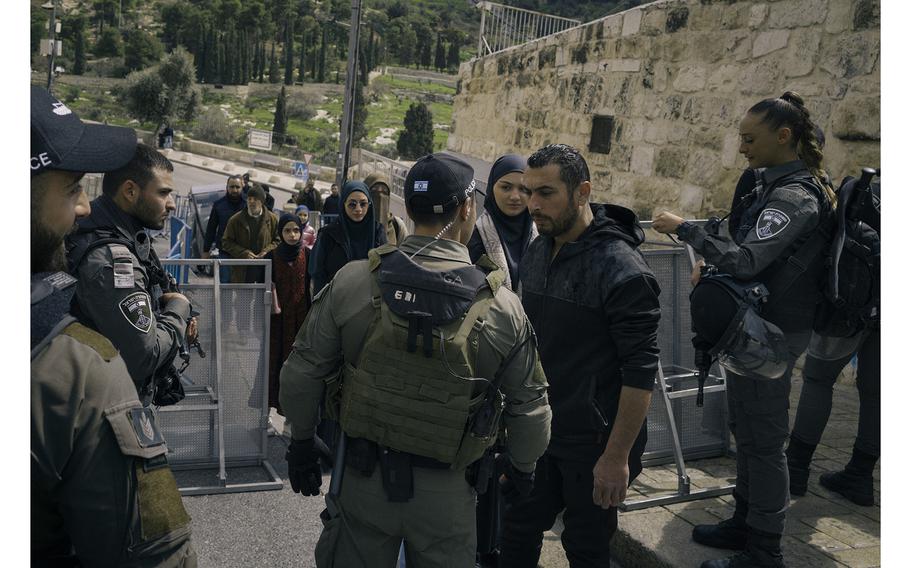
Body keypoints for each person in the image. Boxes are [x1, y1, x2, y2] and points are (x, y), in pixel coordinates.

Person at [279, 152, 552, 568]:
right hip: (448, 493)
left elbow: (301, 374)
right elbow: (530, 407)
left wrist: (300, 441)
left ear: (409, 207)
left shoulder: (354, 281)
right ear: (467, 209)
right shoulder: (502, 307)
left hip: (362, 480)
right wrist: (523, 468)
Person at [652, 91, 836, 568]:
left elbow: (749, 260)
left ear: (783, 136)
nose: (742, 149)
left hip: (772, 334)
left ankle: (764, 549)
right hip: (754, 328)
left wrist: (686, 230)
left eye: (750, 139)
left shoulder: (795, 196)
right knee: (745, 429)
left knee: (764, 440)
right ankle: (745, 520)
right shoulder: (772, 185)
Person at [30, 85, 196, 566]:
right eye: (70, 188)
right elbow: (142, 352)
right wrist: (179, 310)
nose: (82, 208)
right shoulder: (79, 369)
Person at [499, 144, 660, 568]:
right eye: (528, 192)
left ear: (582, 192)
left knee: (586, 549)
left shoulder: (623, 270)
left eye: (545, 193)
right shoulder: (538, 249)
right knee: (515, 531)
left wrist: (616, 457)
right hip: (537, 432)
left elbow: (641, 372)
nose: (532, 204)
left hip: (593, 444)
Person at [67, 143, 197, 399]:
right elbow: (143, 357)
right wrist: (179, 309)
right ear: (130, 191)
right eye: (163, 193)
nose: (171, 204)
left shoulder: (123, 233)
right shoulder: (112, 259)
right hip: (108, 406)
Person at [785, 179, 881, 506]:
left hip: (850, 306)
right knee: (876, 392)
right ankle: (860, 475)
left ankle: (796, 469)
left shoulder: (867, 187)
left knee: (817, 379)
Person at [467, 153, 538, 292]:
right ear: (492, 188)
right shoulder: (475, 237)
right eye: (506, 187)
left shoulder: (541, 239)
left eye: (523, 189)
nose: (515, 197)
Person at [266, 213, 312, 415]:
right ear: (280, 232)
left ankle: (290, 415)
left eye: (296, 230)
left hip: (301, 323)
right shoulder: (271, 257)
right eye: (287, 230)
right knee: (272, 366)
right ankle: (265, 414)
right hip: (277, 324)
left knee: (296, 369)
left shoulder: (307, 255)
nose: (292, 235)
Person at [309, 180, 387, 293]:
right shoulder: (328, 234)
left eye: (363, 204)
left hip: (369, 301)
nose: (358, 209)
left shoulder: (377, 232)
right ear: (343, 204)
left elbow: (385, 269)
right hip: (336, 301)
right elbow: (317, 272)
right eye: (352, 204)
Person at [221, 184, 280, 285]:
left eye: (255, 199)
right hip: (243, 269)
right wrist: (243, 253)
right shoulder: (236, 220)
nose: (251, 202)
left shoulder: (272, 219)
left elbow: (278, 240)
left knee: (263, 299)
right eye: (249, 199)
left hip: (264, 268)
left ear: (261, 201)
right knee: (243, 299)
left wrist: (267, 251)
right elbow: (226, 242)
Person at [202, 174, 246, 282]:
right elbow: (211, 229)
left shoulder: (248, 206)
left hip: (244, 253)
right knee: (224, 283)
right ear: (227, 187)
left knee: (242, 286)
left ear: (242, 187)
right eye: (232, 187)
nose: (234, 190)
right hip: (224, 252)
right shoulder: (219, 205)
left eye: (237, 187)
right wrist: (206, 250)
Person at [364, 172, 409, 245]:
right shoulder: (357, 223)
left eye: (384, 191)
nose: (380, 196)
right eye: (374, 191)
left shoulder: (397, 225)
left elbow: (403, 254)